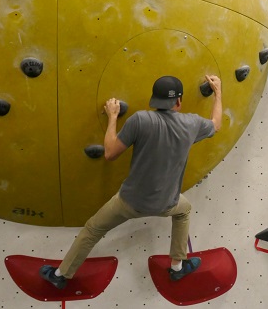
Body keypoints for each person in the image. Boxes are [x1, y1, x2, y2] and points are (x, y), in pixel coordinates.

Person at [40, 75, 223, 289]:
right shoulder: (192, 124)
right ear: (179, 101)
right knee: (184, 211)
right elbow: (216, 124)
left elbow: (109, 153)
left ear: (154, 99)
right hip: (167, 203)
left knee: (92, 230)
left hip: (128, 202)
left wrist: (112, 117)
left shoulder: (140, 120)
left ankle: (61, 274)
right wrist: (217, 92)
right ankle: (176, 267)